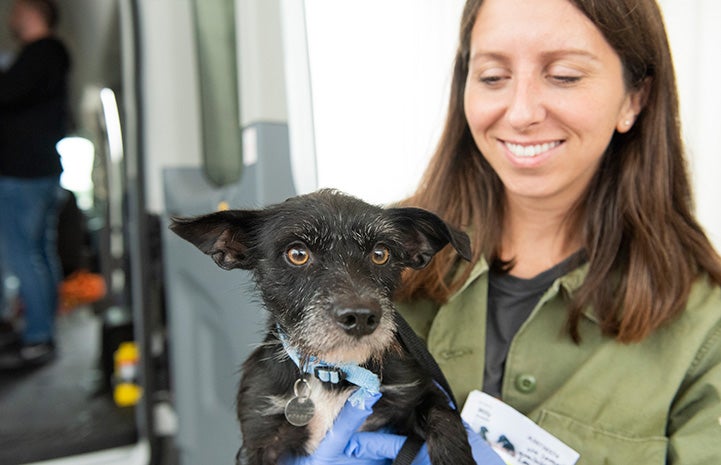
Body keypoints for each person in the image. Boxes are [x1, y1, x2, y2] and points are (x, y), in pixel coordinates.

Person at [282, 0, 721, 464]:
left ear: (635, 98)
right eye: (493, 77)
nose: (521, 112)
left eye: (565, 75)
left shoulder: (705, 327)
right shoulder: (370, 260)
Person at [0, 0, 70, 369]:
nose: (11, 18)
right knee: (39, 255)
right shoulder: (51, 56)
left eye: (15, 11)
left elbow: (6, 93)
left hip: (21, 174)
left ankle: (37, 336)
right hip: (39, 172)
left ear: (30, 12)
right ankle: (41, 331)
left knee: (22, 256)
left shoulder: (40, 53)